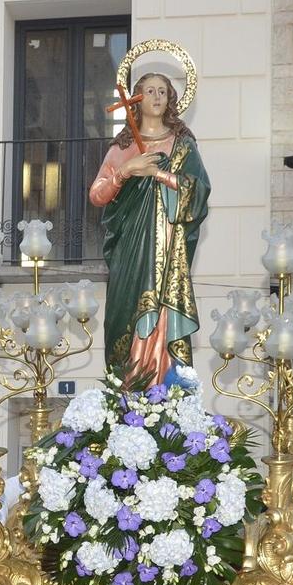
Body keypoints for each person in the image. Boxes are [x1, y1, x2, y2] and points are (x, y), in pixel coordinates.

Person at [88, 63, 210, 385]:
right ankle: (129, 384)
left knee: (161, 315)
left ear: (171, 99)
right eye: (150, 91)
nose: (157, 96)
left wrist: (159, 174)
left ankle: (162, 388)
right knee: (125, 312)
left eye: (163, 91)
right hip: (131, 247)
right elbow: (98, 194)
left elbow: (198, 191)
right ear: (137, 99)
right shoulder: (123, 146)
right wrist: (127, 170)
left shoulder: (182, 144)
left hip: (168, 250)